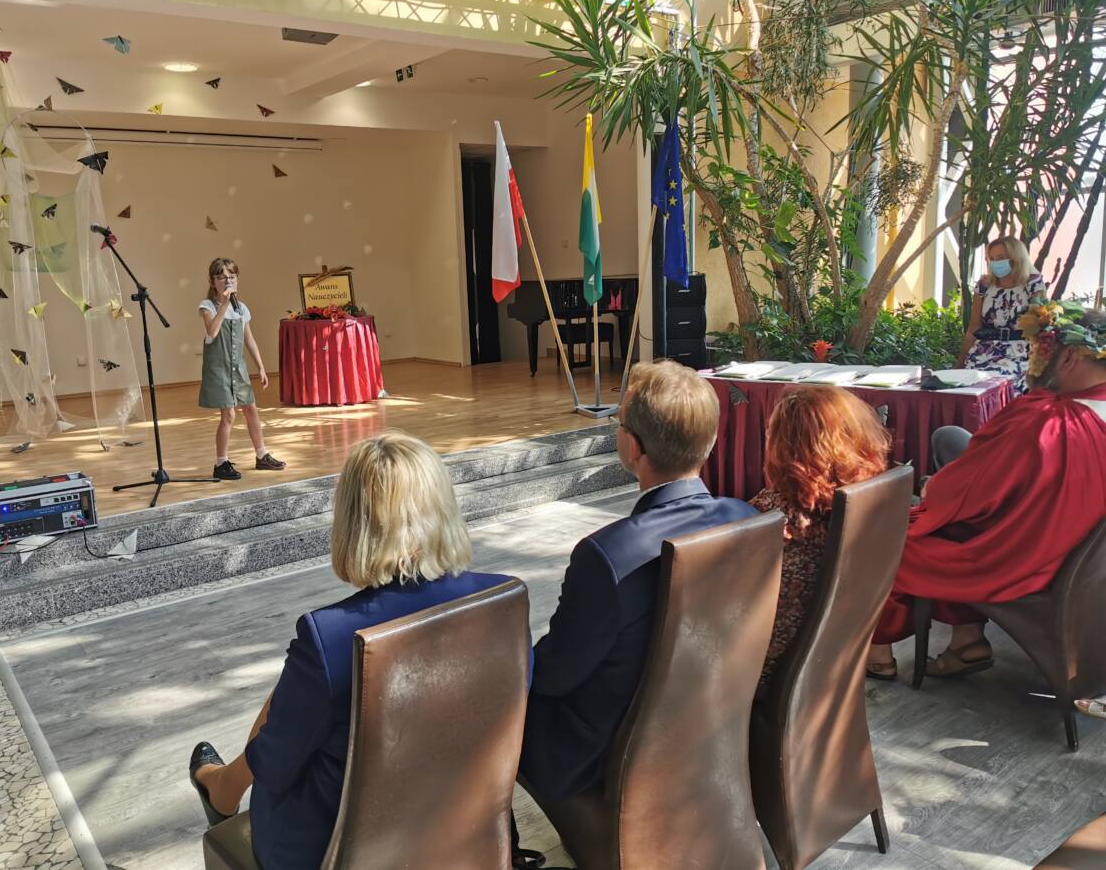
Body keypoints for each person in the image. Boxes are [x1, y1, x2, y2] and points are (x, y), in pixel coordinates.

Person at [188, 431, 514, 870]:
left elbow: (277, 769)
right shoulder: (503, 598)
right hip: (458, 821)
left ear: (353, 523)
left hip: (334, 849)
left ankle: (222, 788)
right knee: (306, 694)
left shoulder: (329, 637)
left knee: (293, 708)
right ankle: (223, 785)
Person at [518, 360, 757, 805]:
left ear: (632, 446)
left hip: (615, 752)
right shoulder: (748, 520)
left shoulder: (608, 555)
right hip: (710, 726)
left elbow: (554, 674)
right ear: (710, 441)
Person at [868, 301, 1106, 679]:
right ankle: (966, 642)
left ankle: (878, 653)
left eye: (1043, 352)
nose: (1037, 364)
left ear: (1070, 357)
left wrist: (935, 490)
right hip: (1087, 568)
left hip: (1036, 565)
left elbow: (978, 491)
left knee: (895, 538)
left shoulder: (1048, 418)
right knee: (958, 524)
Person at [749, 387, 891, 692]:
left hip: (765, 674)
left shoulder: (771, 518)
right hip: (827, 665)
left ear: (783, 446)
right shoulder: (866, 500)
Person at [199, 257, 285, 481]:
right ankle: (221, 463)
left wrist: (261, 367)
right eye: (221, 277)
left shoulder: (242, 308)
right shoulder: (207, 306)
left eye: (231, 277)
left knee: (251, 409)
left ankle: (261, 455)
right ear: (212, 281)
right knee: (228, 415)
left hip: (238, 368)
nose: (227, 281)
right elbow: (212, 332)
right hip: (219, 368)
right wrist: (225, 304)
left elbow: (249, 339)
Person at [957, 234, 1048, 393]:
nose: (995, 263)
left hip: (1018, 353)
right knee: (968, 388)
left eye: (1000, 258)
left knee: (997, 387)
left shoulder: (1032, 284)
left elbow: (1039, 326)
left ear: (1016, 257)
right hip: (984, 351)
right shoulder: (985, 285)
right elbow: (973, 329)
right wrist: (958, 366)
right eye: (991, 259)